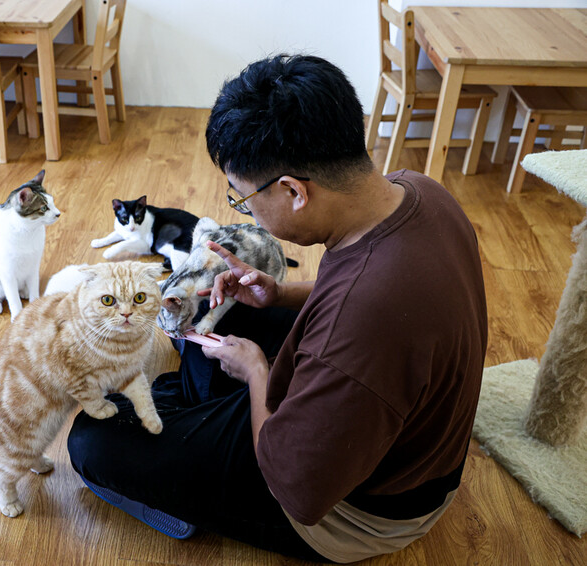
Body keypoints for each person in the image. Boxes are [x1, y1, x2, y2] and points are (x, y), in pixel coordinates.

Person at [67, 54, 487, 563]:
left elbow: (300, 492)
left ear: (292, 190)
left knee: (93, 441)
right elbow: (356, 289)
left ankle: (187, 476)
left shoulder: (362, 322)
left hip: (362, 512)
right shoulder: (416, 192)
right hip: (403, 437)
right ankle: (198, 415)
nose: (247, 212)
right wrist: (277, 293)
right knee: (211, 316)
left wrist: (257, 372)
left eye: (244, 201)